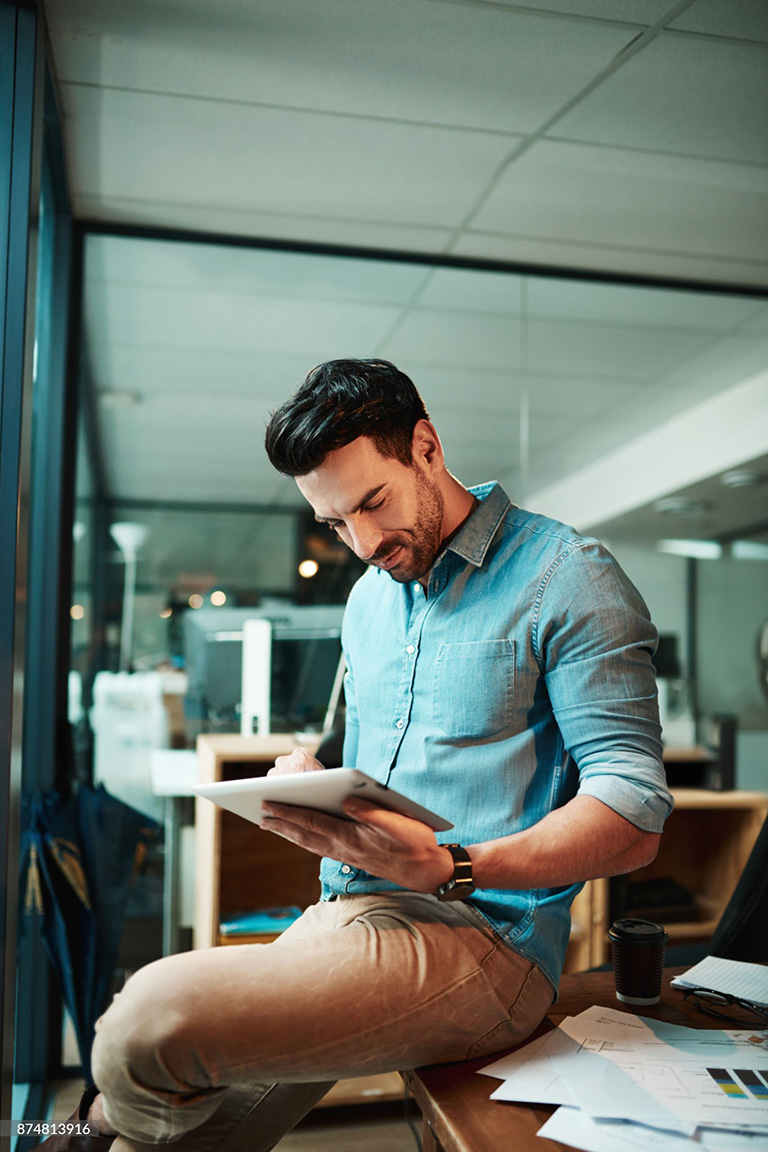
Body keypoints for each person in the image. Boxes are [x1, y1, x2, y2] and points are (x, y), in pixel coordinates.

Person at [39, 359, 672, 1152]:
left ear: (427, 446)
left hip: (483, 943)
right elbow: (361, 743)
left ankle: (80, 1130)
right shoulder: (368, 598)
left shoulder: (569, 578)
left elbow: (633, 813)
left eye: (374, 502)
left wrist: (454, 865)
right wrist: (307, 765)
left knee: (141, 1024)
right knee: (173, 1135)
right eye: (336, 523)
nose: (365, 541)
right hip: (345, 915)